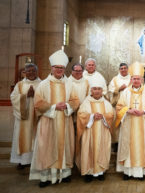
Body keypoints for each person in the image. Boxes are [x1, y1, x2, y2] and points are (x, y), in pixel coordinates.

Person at [29, 50, 79, 188]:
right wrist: (53, 107)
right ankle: (45, 177)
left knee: (65, 147)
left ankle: (65, 174)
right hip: (48, 121)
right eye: (57, 67)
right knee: (46, 147)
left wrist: (68, 105)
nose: (59, 70)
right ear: (52, 68)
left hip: (65, 120)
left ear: (64, 69)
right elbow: (38, 103)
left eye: (61, 68)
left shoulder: (69, 84)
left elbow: (75, 100)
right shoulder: (43, 84)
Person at [115, 62, 145, 180]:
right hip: (128, 123)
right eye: (134, 78)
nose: (136, 80)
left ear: (142, 80)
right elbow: (119, 107)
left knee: (141, 147)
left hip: (143, 124)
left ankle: (140, 173)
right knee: (128, 146)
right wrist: (127, 110)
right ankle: (127, 172)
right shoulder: (125, 92)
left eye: (138, 79)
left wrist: (144, 112)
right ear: (131, 79)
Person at [76, 78, 114, 183]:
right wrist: (92, 116)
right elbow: (81, 115)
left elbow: (111, 115)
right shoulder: (85, 102)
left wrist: (103, 116)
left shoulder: (106, 103)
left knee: (101, 149)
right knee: (89, 149)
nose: (97, 91)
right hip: (89, 133)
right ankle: (88, 172)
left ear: (102, 91)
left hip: (103, 131)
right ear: (91, 91)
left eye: (99, 89)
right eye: (94, 89)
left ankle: (100, 172)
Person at [10, 63, 41, 169]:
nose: (31, 73)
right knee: (22, 138)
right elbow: (13, 98)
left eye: (33, 71)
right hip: (23, 118)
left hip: (37, 118)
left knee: (36, 138)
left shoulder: (42, 84)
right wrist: (26, 96)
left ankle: (35, 160)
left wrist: (35, 95)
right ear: (25, 73)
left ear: (37, 72)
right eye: (29, 71)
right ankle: (22, 161)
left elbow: (46, 99)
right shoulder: (19, 85)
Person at [108, 63, 131, 145]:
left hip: (128, 106)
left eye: (125, 68)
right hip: (118, 106)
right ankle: (116, 143)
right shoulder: (115, 79)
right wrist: (119, 89)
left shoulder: (132, 79)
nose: (123, 70)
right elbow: (110, 91)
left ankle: (127, 142)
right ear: (119, 69)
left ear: (128, 69)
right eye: (122, 68)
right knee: (117, 123)